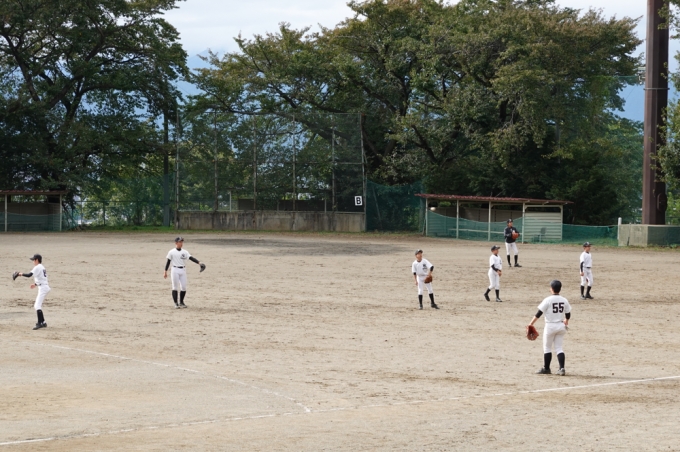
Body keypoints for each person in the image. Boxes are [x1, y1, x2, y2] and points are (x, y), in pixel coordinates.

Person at [528, 280, 572, 376]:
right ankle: (562, 368)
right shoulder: (564, 300)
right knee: (559, 348)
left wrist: (531, 324)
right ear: (560, 289)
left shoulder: (548, 300)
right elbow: (568, 313)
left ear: (551, 289)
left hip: (550, 326)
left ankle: (546, 368)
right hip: (561, 326)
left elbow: (539, 313)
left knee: (547, 348)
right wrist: (567, 320)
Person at [163, 237, 204, 308]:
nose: (181, 243)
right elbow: (168, 262)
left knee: (184, 287)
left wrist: (199, 263)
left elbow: (191, 258)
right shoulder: (171, 252)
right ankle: (176, 303)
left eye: (182, 242)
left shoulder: (185, 252)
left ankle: (181, 302)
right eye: (180, 242)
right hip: (175, 270)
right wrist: (165, 271)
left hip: (183, 270)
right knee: (175, 287)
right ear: (176, 243)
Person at [14, 254, 50, 330]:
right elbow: (42, 278)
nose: (33, 261)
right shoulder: (41, 267)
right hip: (43, 286)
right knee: (38, 305)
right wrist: (35, 284)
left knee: (37, 306)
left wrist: (19, 274)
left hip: (43, 288)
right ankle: (43, 322)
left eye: (33, 260)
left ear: (37, 260)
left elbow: (29, 275)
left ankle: (40, 323)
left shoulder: (37, 267)